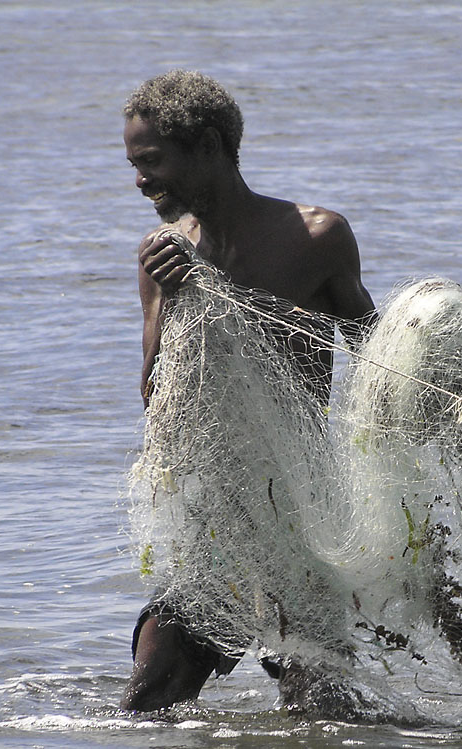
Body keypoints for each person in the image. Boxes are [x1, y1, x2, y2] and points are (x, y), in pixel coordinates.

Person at [120, 70, 377, 712]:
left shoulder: (316, 236)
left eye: (152, 161)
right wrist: (174, 301)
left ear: (207, 145)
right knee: (147, 701)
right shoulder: (161, 257)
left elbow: (376, 356)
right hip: (213, 533)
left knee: (324, 716)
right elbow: (156, 394)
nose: (140, 180)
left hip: (302, 528)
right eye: (133, 164)